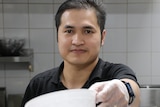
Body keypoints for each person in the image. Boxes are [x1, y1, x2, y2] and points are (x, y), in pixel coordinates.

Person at [21, 0, 140, 107]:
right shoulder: (38, 85)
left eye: (88, 31)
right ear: (57, 36)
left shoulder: (115, 73)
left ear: (102, 37)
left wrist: (124, 89)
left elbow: (130, 88)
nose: (77, 41)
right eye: (69, 31)